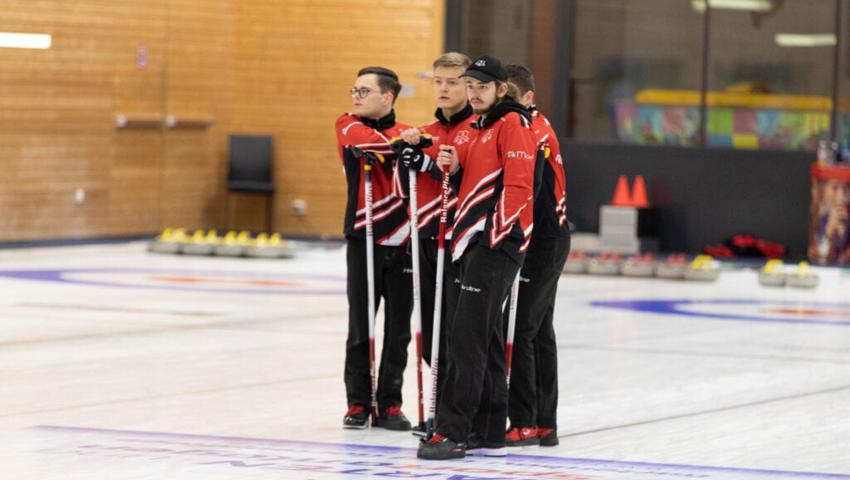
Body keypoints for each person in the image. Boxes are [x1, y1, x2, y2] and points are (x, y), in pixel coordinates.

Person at [417, 55, 537, 460]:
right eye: (471, 86)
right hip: (468, 242)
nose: (474, 93)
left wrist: (494, 238)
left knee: (465, 337)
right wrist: (445, 160)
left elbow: (519, 187)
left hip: (495, 244)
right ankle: (488, 429)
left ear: (501, 89)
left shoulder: (514, 125)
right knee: (481, 339)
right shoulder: (473, 128)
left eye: (482, 87)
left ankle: (452, 431)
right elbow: (455, 160)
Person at [393, 52, 478, 419]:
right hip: (425, 237)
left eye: (453, 81)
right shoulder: (426, 131)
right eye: (438, 81)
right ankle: (440, 411)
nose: (444, 89)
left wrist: (430, 164)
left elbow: (474, 181)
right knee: (431, 335)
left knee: (458, 335)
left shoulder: (478, 129)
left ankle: (459, 416)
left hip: (460, 242)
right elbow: (405, 188)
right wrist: (409, 157)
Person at [334, 66, 413, 431]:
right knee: (360, 323)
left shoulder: (408, 132)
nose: (356, 96)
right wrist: (407, 145)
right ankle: (358, 402)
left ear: (387, 97)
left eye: (364, 91)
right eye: (354, 89)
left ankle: (390, 402)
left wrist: (414, 144)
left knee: (398, 328)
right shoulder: (348, 124)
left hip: (403, 238)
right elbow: (373, 145)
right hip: (362, 236)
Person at [502, 64, 570, 447]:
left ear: (528, 97)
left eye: (511, 96)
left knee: (524, 329)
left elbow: (530, 188)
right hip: (542, 237)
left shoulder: (533, 131)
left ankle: (525, 420)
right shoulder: (527, 126)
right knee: (539, 330)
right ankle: (545, 423)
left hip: (543, 240)